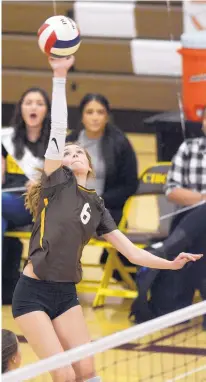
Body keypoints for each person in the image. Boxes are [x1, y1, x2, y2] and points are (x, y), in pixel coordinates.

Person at [11, 56, 202, 382]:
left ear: (88, 163)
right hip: (32, 293)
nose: (70, 155)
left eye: (76, 152)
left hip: (65, 294)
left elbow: (132, 253)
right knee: (64, 373)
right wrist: (59, 76)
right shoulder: (55, 186)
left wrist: (170, 263)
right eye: (65, 153)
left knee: (86, 369)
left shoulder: (97, 206)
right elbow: (58, 128)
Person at [130, 108, 206, 328]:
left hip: (186, 233)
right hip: (187, 220)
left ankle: (165, 249)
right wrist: (202, 198)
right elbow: (171, 190)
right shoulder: (189, 148)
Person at [66, 93, 138, 280]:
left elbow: (129, 185)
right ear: (82, 115)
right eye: (90, 112)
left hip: (106, 209)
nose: (95, 116)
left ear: (107, 116)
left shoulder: (120, 143)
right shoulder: (71, 141)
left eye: (100, 112)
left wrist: (97, 200)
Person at [2, 87, 51, 304]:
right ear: (20, 108)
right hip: (8, 204)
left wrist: (43, 183)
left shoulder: (56, 141)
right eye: (28, 102)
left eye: (39, 103)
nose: (33, 107)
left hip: (37, 206)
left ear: (47, 110)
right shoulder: (6, 138)